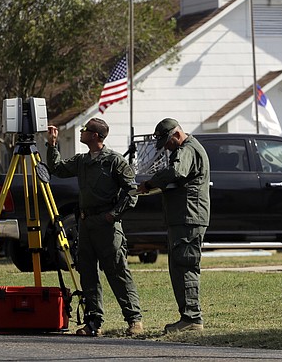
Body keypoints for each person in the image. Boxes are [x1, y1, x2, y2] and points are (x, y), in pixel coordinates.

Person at [46, 118, 144, 337]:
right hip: (85, 224)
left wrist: (113, 215)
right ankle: (94, 322)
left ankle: (134, 319)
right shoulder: (82, 161)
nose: (81, 133)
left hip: (107, 226)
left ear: (96, 136)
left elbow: (131, 192)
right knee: (88, 273)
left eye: (85, 130)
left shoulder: (114, 161)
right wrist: (52, 145)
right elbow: (57, 169)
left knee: (117, 272)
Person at [137, 118, 210, 333]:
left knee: (184, 266)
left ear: (177, 135)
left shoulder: (187, 149)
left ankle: (192, 318)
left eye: (168, 143)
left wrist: (150, 183)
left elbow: (176, 172)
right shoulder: (186, 148)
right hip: (184, 217)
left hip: (188, 217)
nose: (167, 148)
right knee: (180, 267)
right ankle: (188, 316)